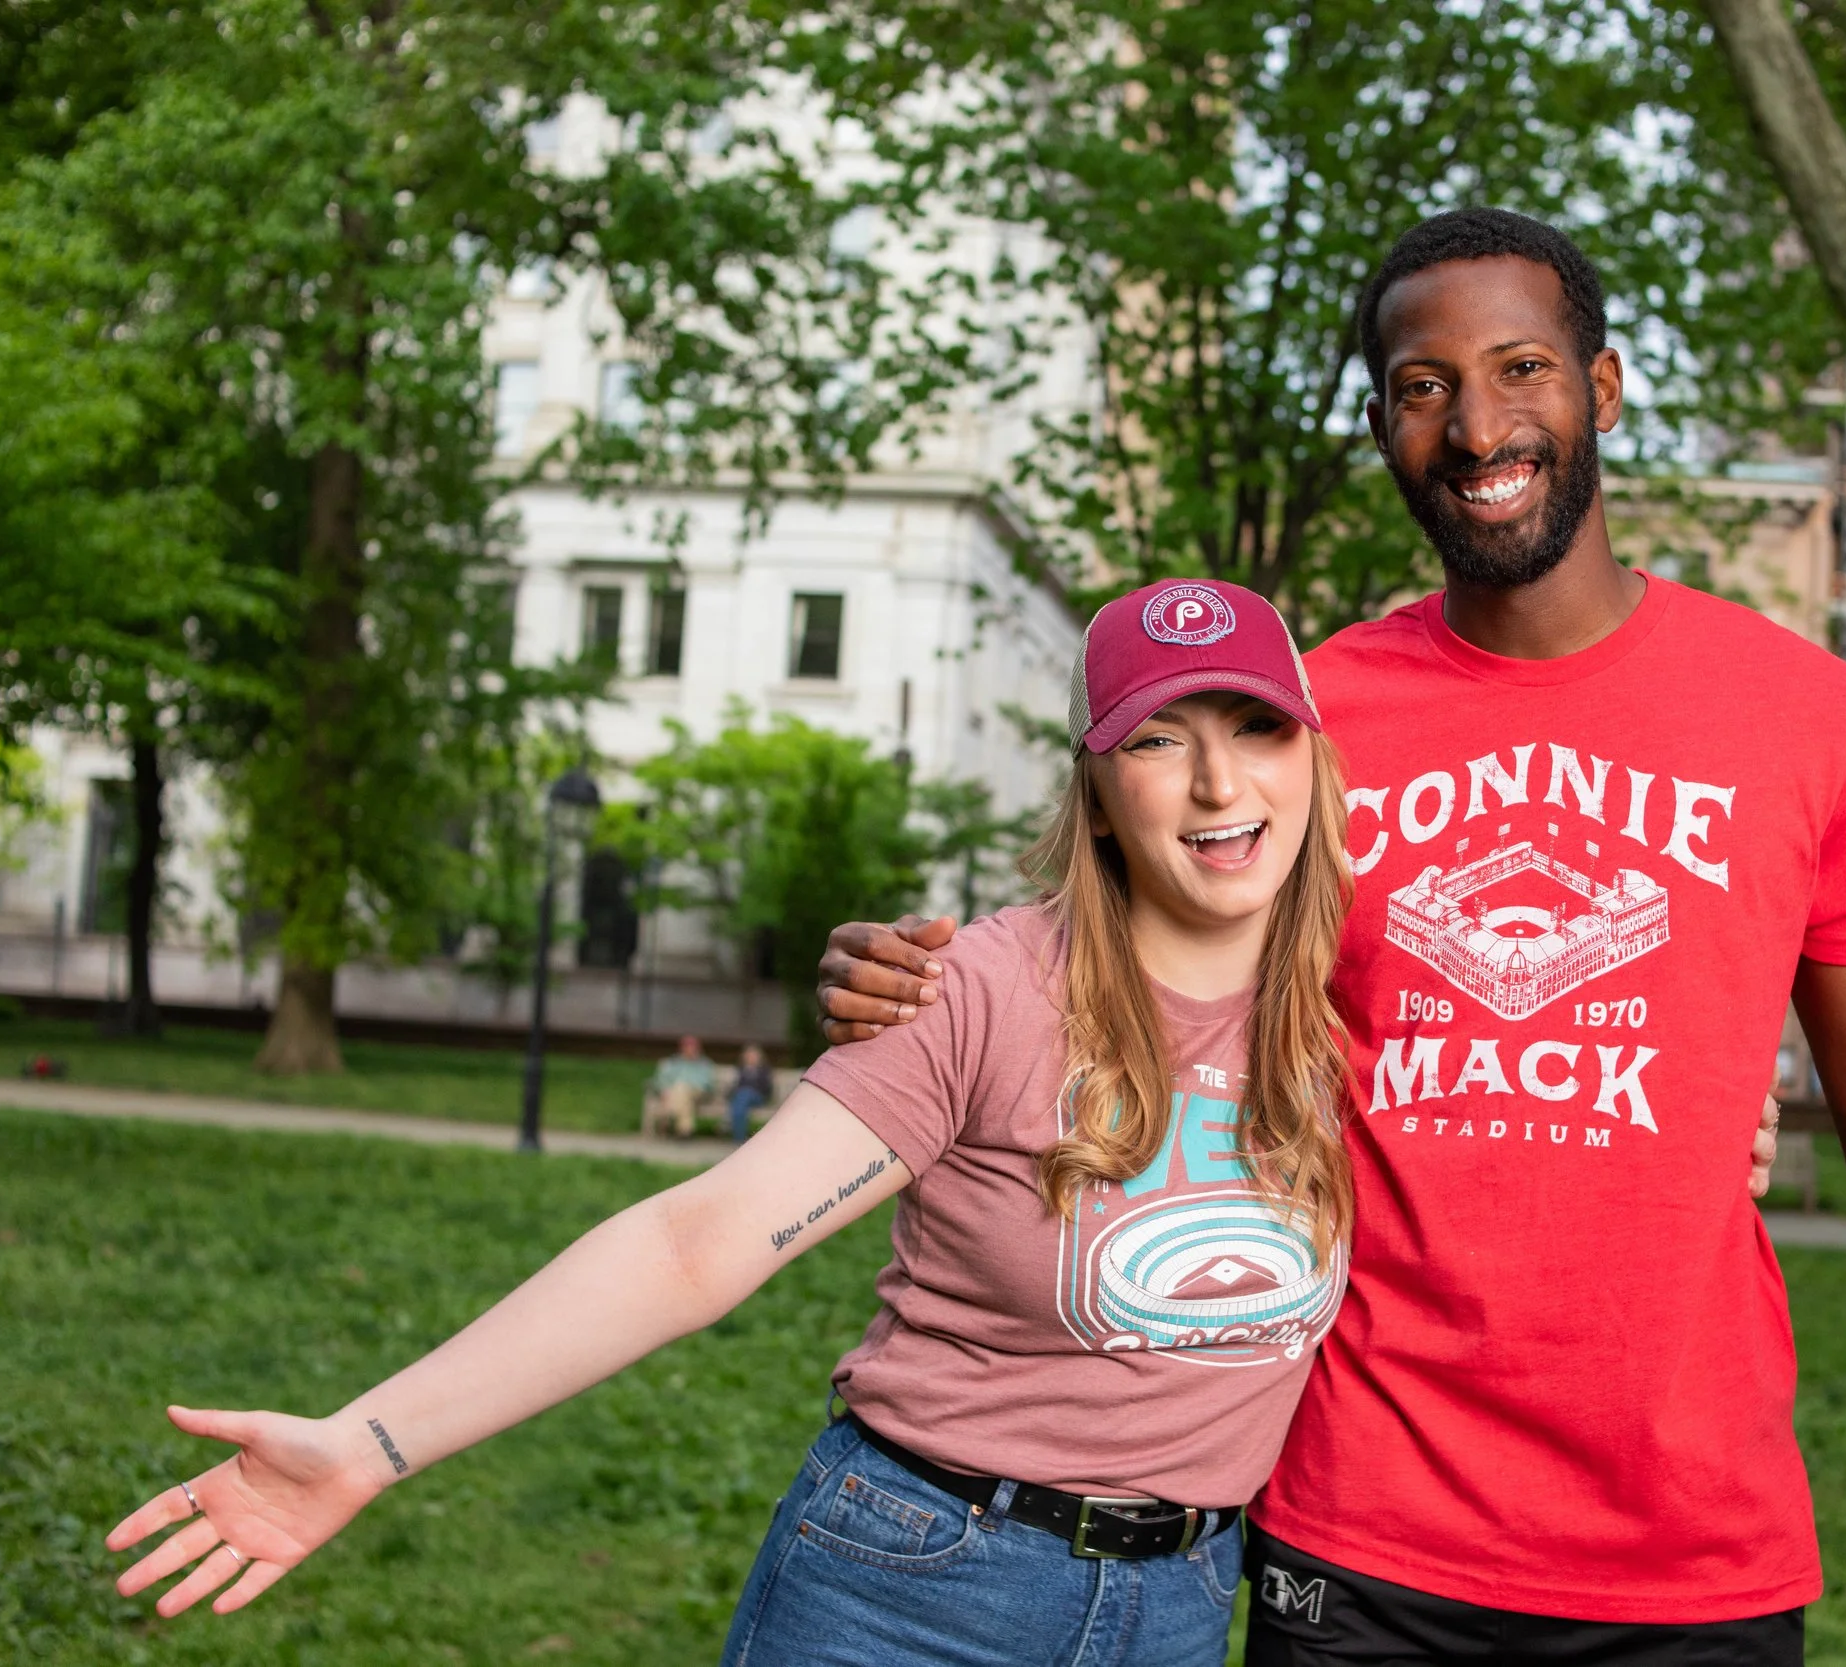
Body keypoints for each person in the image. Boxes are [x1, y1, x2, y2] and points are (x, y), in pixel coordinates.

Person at [816, 208, 1846, 1665]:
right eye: (1422, 384)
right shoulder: (1308, 725)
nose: (1475, 424)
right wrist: (909, 978)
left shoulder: (1814, 716)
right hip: (1362, 1524)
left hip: (1690, 1543)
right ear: (1387, 421)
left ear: (1605, 387)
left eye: (1522, 367)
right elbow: (1125, 982)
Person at [103, 580, 1366, 1665]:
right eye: (1158, 737)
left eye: (1257, 725)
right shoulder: (976, 989)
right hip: (921, 1583)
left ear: (1309, 755)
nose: (1217, 780)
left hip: (1191, 1603)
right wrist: (367, 1444)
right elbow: (694, 1242)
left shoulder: (1344, 1023)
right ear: (1095, 795)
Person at [642, 1033, 718, 1138]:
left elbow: (708, 1084)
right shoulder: (673, 1062)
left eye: (693, 1047)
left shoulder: (704, 1064)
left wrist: (689, 1086)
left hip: (699, 1093)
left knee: (681, 1088)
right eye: (687, 1047)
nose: (690, 1049)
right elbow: (661, 1079)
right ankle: (685, 1131)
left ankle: (667, 1117)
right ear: (681, 1048)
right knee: (681, 1092)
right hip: (677, 1094)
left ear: (698, 1049)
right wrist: (664, 1089)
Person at [728, 1042, 774, 1142]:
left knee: (744, 1094)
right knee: (741, 1102)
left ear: (759, 1057)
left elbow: (767, 1089)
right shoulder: (741, 1070)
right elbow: (735, 1087)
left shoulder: (764, 1070)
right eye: (749, 1055)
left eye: (753, 1055)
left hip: (758, 1097)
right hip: (742, 1098)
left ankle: (738, 1138)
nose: (751, 1057)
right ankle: (739, 1138)